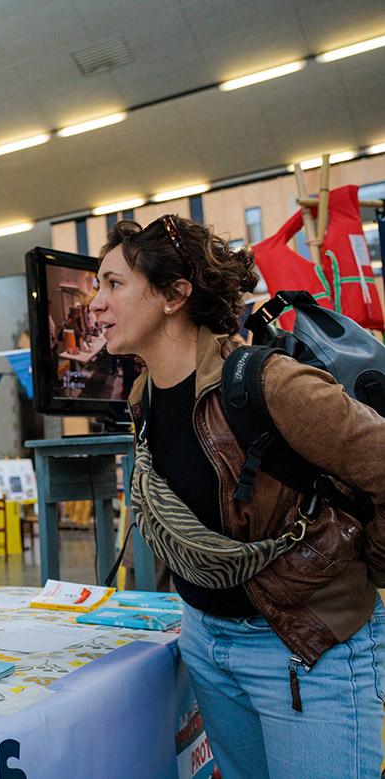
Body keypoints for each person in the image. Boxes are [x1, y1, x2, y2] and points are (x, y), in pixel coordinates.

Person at [89, 214, 385, 778]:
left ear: (175, 295)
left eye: (113, 284)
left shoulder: (270, 383)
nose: (95, 304)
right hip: (206, 640)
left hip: (307, 647)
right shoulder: (144, 395)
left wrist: (368, 565)